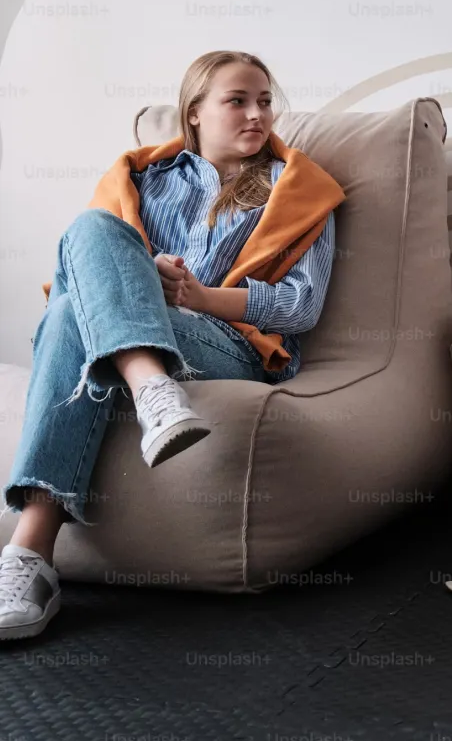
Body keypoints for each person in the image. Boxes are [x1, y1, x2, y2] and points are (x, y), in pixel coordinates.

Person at [0, 50, 344, 640]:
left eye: (264, 101)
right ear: (194, 113)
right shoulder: (139, 177)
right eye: (237, 101)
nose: (257, 115)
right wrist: (138, 276)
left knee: (70, 316)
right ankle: (151, 389)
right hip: (145, 328)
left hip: (229, 345)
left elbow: (300, 306)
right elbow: (78, 277)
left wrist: (200, 295)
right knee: (89, 235)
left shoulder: (297, 188)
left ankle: (28, 552)